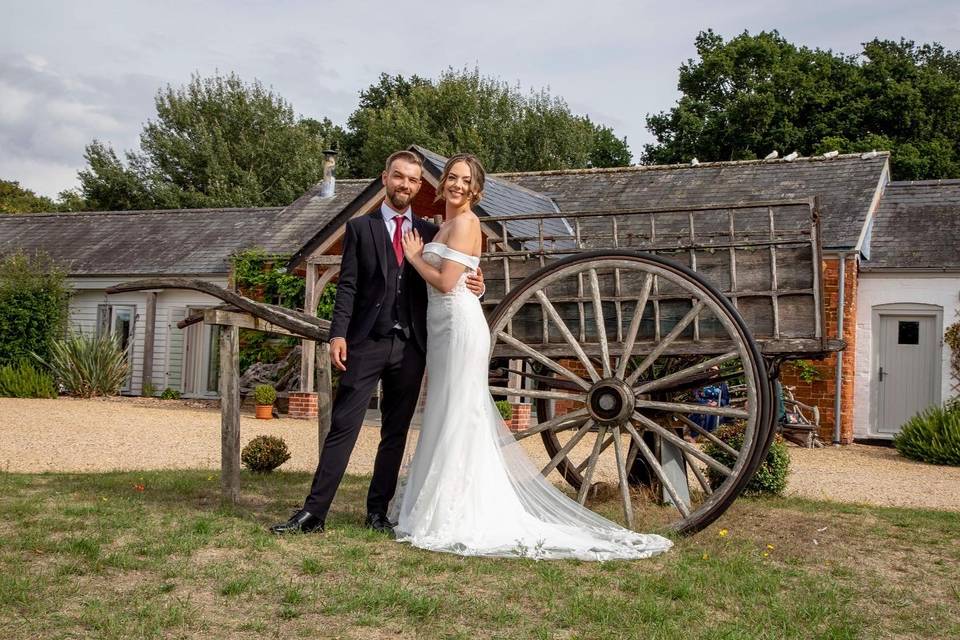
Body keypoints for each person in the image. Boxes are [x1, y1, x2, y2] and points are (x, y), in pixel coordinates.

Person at [392, 153, 672, 560]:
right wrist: (470, 279)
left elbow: (448, 280)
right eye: (451, 177)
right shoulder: (444, 225)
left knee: (460, 411)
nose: (455, 184)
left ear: (476, 189)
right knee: (447, 408)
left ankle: (457, 509)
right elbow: (465, 276)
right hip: (443, 327)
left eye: (464, 180)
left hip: (459, 328)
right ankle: (442, 499)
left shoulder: (467, 223)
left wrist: (415, 257)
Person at [270, 150, 485, 536]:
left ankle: (377, 512)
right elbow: (347, 287)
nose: (406, 184)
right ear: (385, 177)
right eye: (399, 177)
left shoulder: (430, 230)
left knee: (395, 432)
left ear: (420, 185)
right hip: (366, 342)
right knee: (344, 426)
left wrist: (478, 285)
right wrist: (338, 333)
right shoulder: (359, 228)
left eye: (413, 180)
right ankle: (313, 513)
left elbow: (457, 271)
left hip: (412, 346)